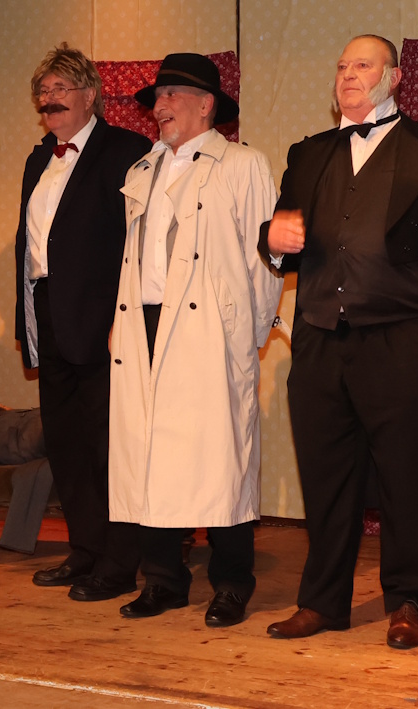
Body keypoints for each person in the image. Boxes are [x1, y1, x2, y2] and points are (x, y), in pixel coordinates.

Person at [262, 35, 418, 650]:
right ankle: (321, 601)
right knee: (325, 476)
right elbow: (285, 236)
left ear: (394, 77)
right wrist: (271, 239)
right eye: (341, 66)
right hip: (320, 338)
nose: (348, 75)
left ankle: (409, 601)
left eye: (362, 65)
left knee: (404, 478)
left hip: (405, 337)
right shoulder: (308, 153)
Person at [108, 53, 282, 628]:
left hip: (212, 330)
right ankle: (163, 579)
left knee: (220, 457)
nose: (159, 107)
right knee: (153, 454)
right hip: (145, 324)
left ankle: (231, 584)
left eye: (171, 96)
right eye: (156, 98)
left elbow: (264, 259)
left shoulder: (242, 164)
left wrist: (247, 333)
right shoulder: (142, 170)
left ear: (206, 105)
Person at [16, 44, 150, 602]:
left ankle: (120, 561)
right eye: (43, 92)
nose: (49, 101)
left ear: (90, 95)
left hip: (105, 321)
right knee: (67, 443)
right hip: (48, 314)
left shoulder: (127, 151)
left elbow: (138, 242)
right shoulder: (38, 160)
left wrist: (123, 317)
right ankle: (85, 549)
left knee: (107, 447)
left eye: (60, 90)